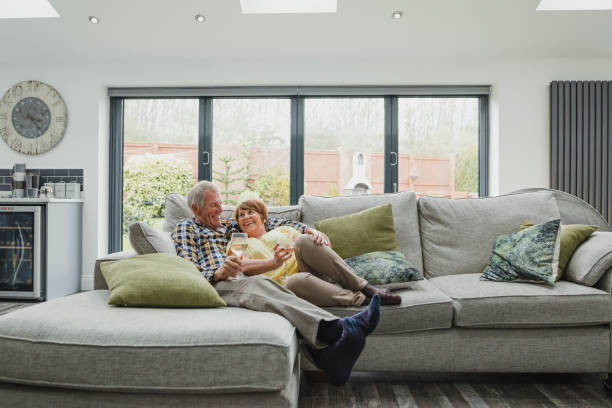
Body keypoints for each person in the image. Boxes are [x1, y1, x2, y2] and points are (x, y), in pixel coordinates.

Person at [172, 181, 381, 386]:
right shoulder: (187, 227)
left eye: (220, 203)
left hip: (241, 278)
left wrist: (308, 230)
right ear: (195, 208)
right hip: (216, 284)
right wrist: (217, 273)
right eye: (213, 205)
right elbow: (188, 269)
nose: (220, 209)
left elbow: (266, 223)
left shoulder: (228, 226)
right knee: (260, 285)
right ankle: (339, 330)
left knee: (263, 283)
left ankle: (326, 356)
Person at [233, 198, 402, 307]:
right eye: (241, 215)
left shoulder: (284, 230)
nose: (245, 217)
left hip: (315, 273)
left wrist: (320, 237)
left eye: (250, 212)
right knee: (295, 281)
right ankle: (362, 300)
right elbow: (242, 265)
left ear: (263, 218)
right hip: (288, 288)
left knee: (304, 240)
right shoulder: (239, 240)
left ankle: (365, 287)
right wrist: (273, 262)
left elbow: (317, 249)